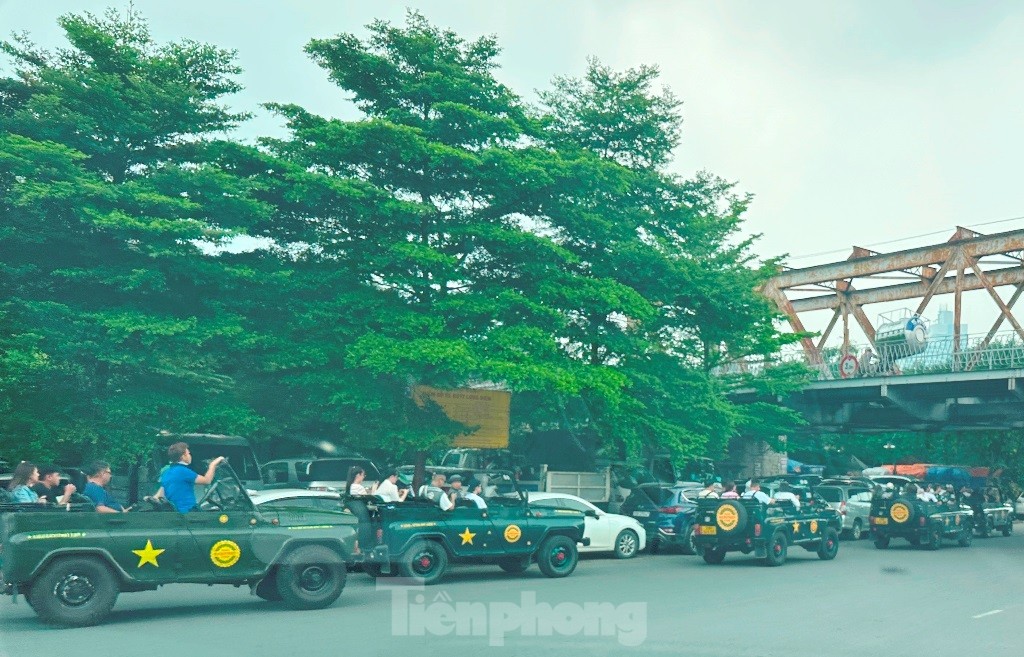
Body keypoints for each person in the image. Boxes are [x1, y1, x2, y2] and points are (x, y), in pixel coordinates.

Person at [160, 443, 225, 513]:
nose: (190, 456)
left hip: (176, 511)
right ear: (183, 456)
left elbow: (161, 493)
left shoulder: (166, 472)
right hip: (188, 512)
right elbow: (207, 480)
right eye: (188, 453)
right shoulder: (183, 471)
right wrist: (213, 464)